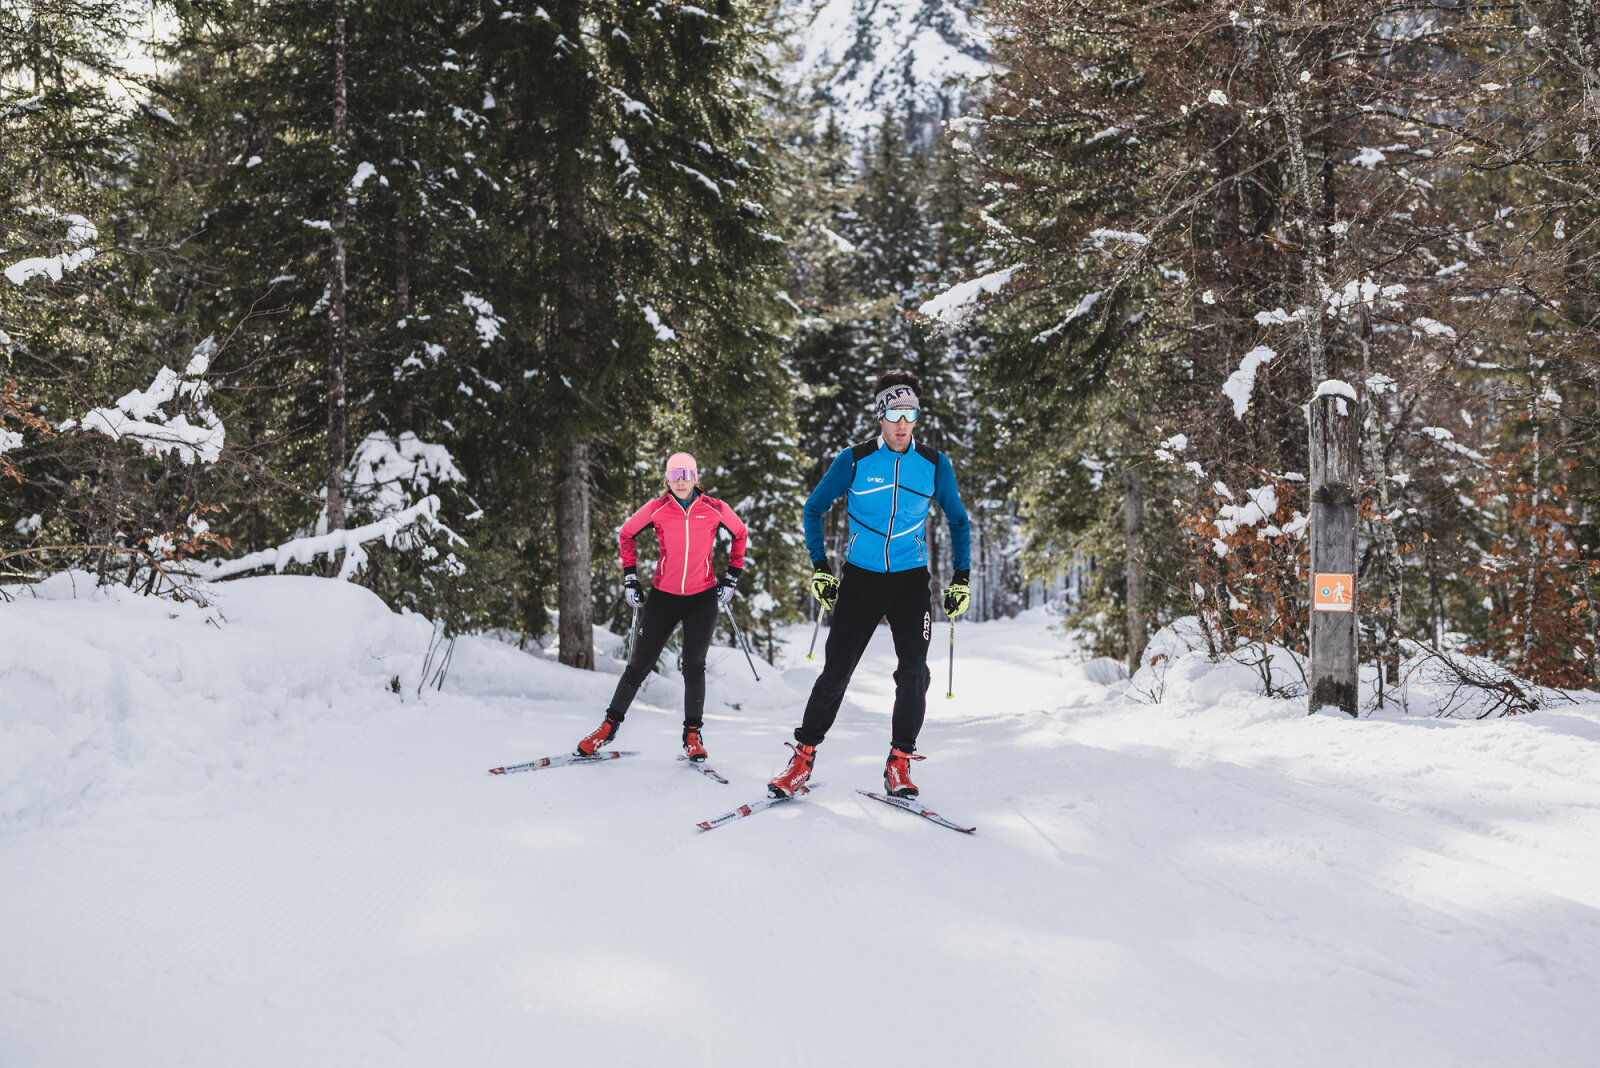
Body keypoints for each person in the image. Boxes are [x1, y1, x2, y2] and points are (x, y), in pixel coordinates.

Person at [767, 370, 971, 800]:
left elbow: (958, 520)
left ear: (917, 416)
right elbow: (813, 508)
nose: (903, 422)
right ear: (881, 414)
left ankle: (899, 760)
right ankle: (802, 758)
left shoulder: (933, 464)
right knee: (836, 672)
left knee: (914, 671)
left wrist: (962, 577)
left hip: (910, 581)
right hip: (860, 579)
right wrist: (821, 566)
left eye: (910, 412)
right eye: (895, 412)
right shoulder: (855, 460)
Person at [575, 452, 748, 763]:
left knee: (693, 666)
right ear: (667, 480)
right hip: (663, 597)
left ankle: (692, 736)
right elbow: (627, 533)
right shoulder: (657, 509)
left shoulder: (715, 508)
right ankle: (607, 728)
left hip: (702, 597)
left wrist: (731, 577)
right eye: (675, 475)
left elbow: (740, 534)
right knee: (639, 665)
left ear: (697, 478)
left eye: (687, 474)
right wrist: (630, 579)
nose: (681, 481)